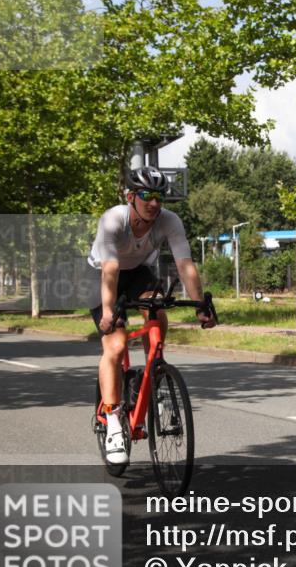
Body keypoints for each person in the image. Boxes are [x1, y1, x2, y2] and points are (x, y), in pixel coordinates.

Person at [88, 166, 215, 464]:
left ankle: (154, 371)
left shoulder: (169, 221)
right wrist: (109, 312)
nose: (154, 203)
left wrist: (200, 305)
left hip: (138, 274)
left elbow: (185, 264)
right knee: (116, 346)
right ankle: (114, 424)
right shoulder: (113, 219)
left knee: (157, 305)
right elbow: (109, 270)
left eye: (159, 197)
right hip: (101, 275)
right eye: (146, 196)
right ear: (130, 197)